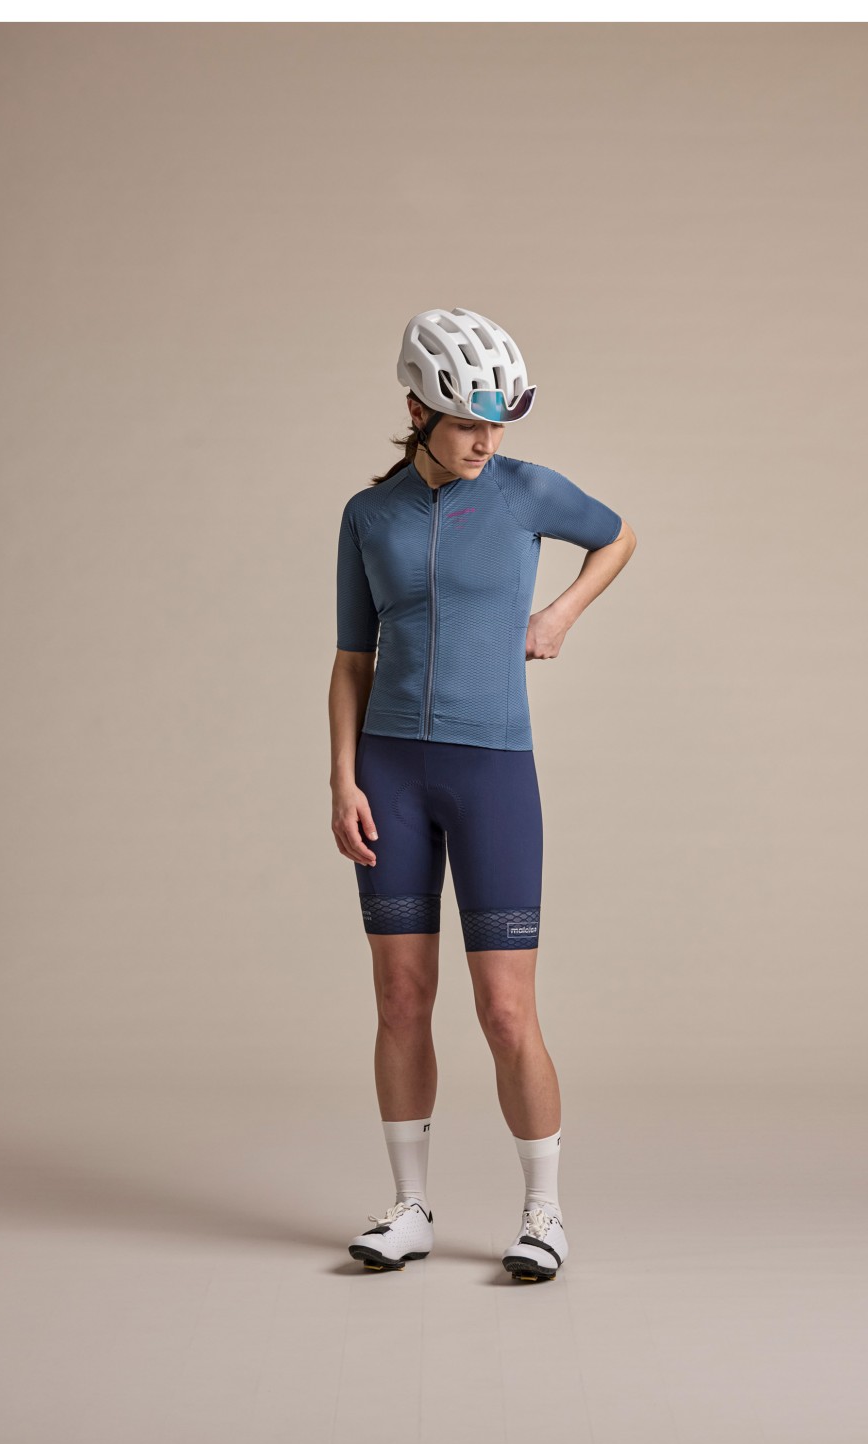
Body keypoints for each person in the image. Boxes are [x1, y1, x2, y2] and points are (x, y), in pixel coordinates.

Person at [328, 306, 635, 1282]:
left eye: (496, 425)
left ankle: (544, 1215)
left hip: (492, 772)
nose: (484, 444)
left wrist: (562, 613)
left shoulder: (525, 491)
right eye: (466, 425)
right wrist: (342, 778)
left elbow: (619, 537)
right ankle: (410, 1208)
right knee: (399, 997)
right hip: (389, 775)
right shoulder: (368, 516)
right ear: (417, 412)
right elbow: (351, 660)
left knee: (505, 1011)